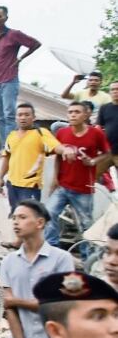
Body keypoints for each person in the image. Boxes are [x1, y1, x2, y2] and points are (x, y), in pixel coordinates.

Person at [0, 200, 74, 338]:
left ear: (40, 223)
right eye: (14, 218)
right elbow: (9, 309)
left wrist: (16, 301)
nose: (16, 222)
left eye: (22, 217)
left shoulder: (61, 259)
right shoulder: (8, 262)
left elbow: (59, 306)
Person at [45, 101, 109, 259]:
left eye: (77, 112)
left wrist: (93, 161)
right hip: (63, 185)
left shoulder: (96, 133)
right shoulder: (62, 133)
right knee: (48, 214)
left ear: (86, 115)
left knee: (85, 225)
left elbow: (107, 153)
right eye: (70, 112)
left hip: (83, 188)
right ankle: (52, 250)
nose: (73, 115)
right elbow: (58, 157)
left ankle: (88, 258)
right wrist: (55, 178)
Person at [0, 103, 75, 212]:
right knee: (16, 215)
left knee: (29, 215)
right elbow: (7, 157)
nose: (23, 118)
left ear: (33, 117)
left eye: (27, 115)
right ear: (16, 118)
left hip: (30, 186)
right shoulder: (11, 136)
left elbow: (56, 146)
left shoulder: (41, 133)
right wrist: (0, 177)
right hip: (12, 184)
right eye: (20, 115)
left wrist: (65, 150)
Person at [0, 5, 42, 145]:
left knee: (9, 115)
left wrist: (20, 58)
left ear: (6, 18)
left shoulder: (14, 35)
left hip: (9, 79)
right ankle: (4, 147)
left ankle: (10, 146)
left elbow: (35, 44)